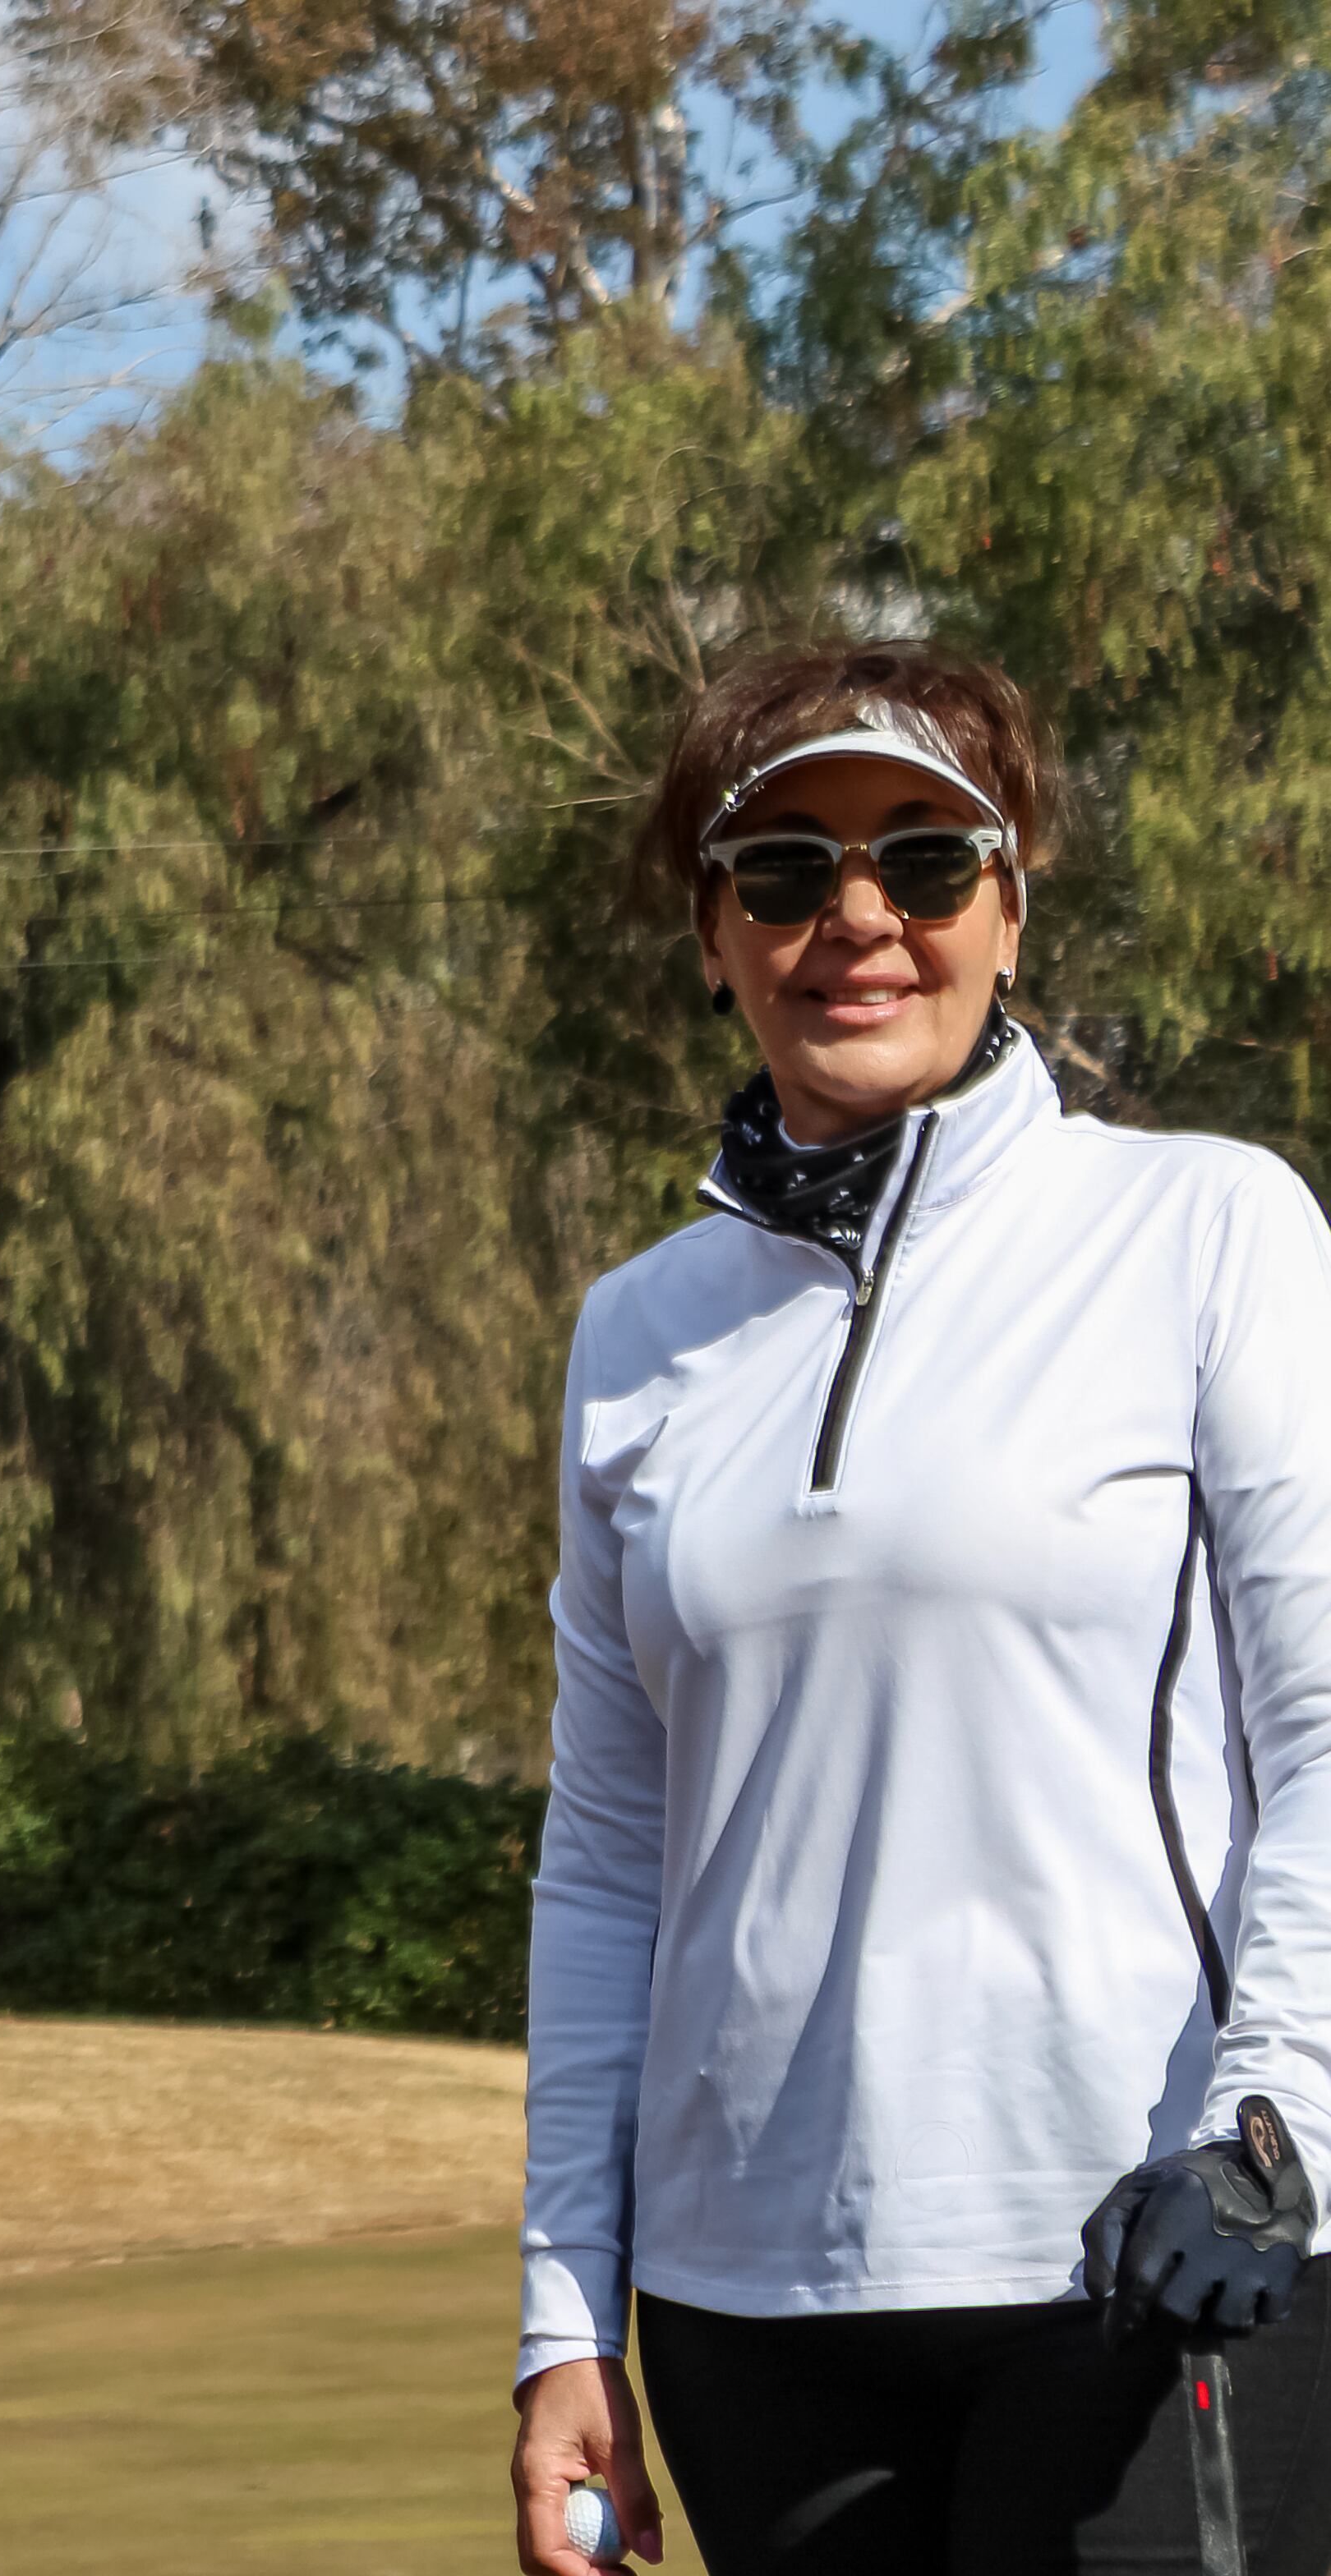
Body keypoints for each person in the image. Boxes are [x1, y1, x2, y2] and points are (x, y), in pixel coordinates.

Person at [511, 642, 1331, 2576]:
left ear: (1012, 906)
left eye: (927, 860)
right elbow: (609, 1859)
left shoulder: (1209, 1228)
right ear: (713, 934)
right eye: (783, 868)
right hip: (750, 2308)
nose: (857, 919)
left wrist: (1275, 2127)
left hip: (1144, 2251)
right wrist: (565, 2313)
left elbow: (1319, 1739)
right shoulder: (639, 1333)